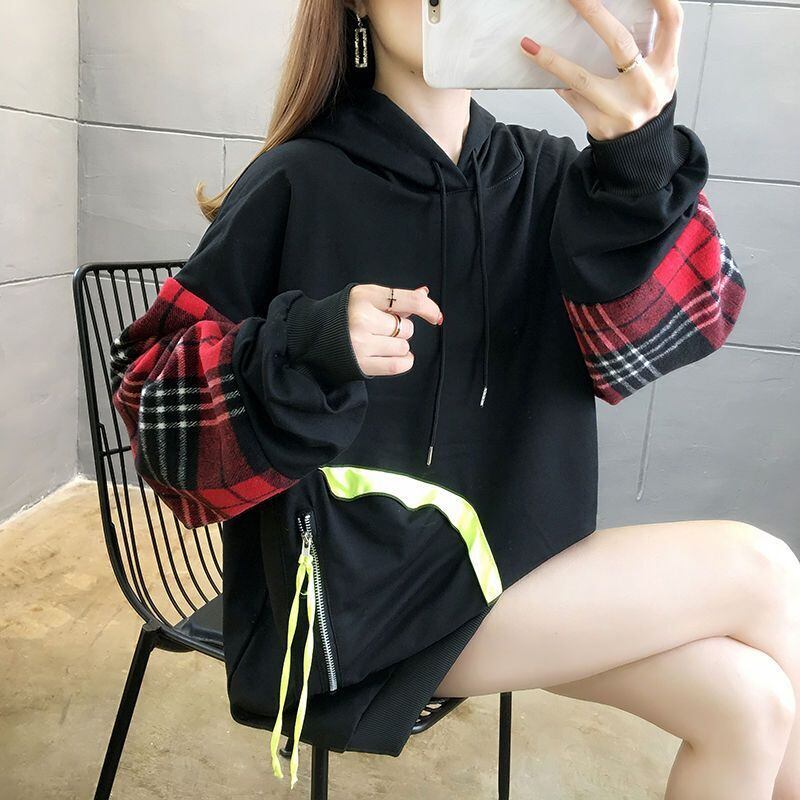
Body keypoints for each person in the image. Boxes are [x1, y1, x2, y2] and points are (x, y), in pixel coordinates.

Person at [108, 0, 796, 796]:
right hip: (356, 604)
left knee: (751, 704)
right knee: (764, 570)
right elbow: (157, 421)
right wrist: (305, 343)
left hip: (517, 566)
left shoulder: (548, 177)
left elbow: (686, 322)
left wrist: (639, 168)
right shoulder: (296, 179)